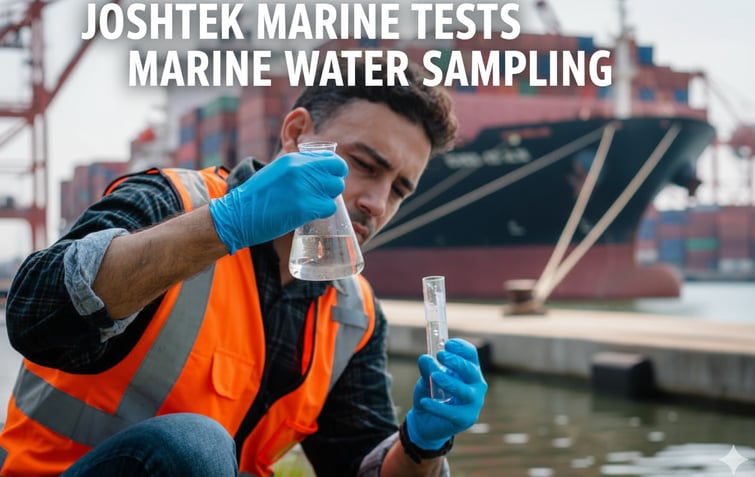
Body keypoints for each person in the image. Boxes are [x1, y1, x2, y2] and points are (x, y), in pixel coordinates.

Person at [0, 55, 487, 477]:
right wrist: (222, 227)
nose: (378, 203)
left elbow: (360, 465)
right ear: (296, 133)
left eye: (400, 189)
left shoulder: (353, 315)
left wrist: (422, 444)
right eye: (365, 165)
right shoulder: (171, 201)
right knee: (195, 446)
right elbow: (35, 313)